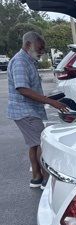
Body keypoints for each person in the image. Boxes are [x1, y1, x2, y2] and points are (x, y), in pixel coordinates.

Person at [7, 31, 69, 189]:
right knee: (42, 143)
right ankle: (46, 181)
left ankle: (36, 177)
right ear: (28, 45)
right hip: (25, 111)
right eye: (40, 48)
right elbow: (22, 89)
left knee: (34, 145)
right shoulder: (20, 61)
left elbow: (29, 88)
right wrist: (51, 102)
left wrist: (48, 97)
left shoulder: (28, 60)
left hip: (27, 110)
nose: (42, 52)